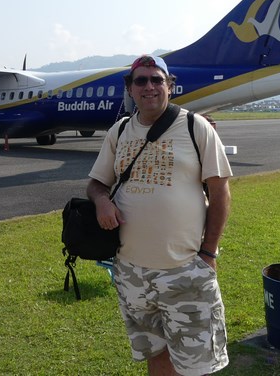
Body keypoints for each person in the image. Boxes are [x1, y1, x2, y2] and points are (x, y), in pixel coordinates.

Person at [87, 55, 232, 375]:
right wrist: (101, 202)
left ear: (170, 85)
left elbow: (220, 193)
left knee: (197, 365)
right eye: (141, 80)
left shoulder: (197, 128)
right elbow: (97, 184)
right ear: (130, 88)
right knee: (155, 354)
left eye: (157, 79)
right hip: (131, 272)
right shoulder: (120, 131)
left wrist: (208, 253)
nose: (149, 86)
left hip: (185, 270)